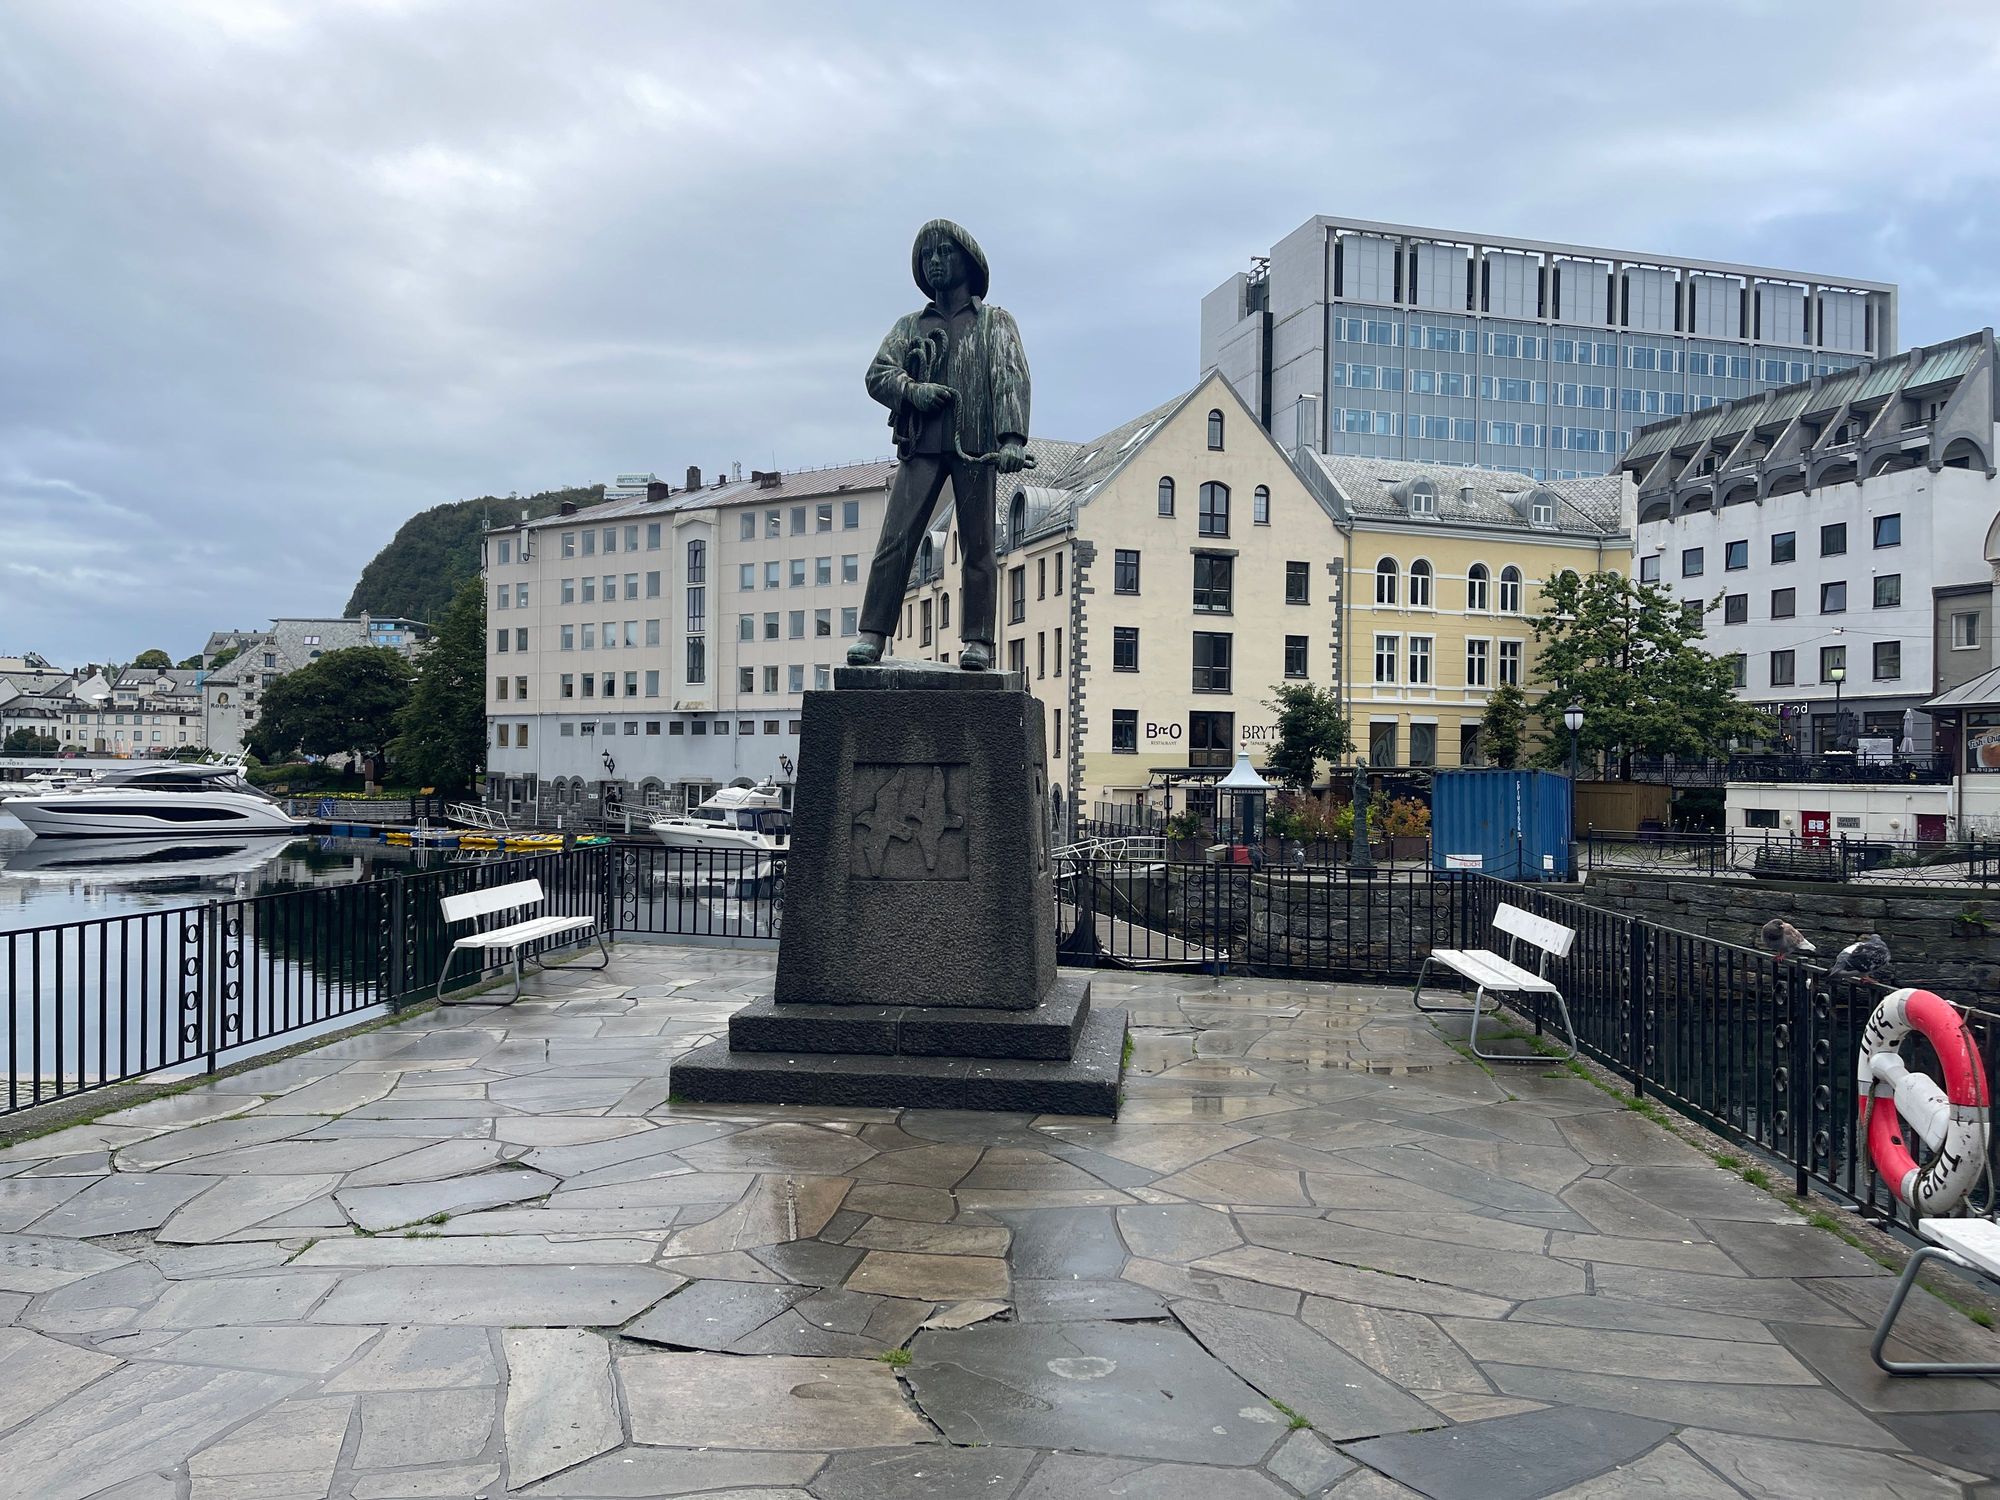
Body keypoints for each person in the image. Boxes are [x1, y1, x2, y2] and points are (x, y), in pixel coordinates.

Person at [847, 220, 1031, 672]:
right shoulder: (910, 326)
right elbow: (877, 374)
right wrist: (913, 391)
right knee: (896, 539)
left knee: (979, 545)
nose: (934, 262)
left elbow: (1010, 378)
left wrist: (1011, 439)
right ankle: (873, 633)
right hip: (921, 446)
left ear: (967, 262)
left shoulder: (994, 322)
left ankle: (978, 640)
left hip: (975, 448)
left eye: (944, 253)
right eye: (927, 255)